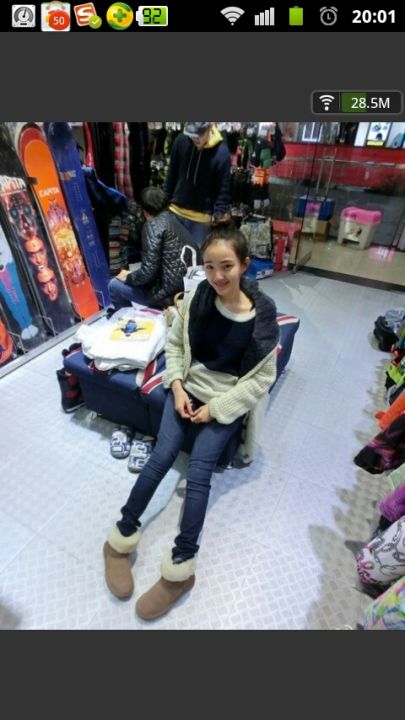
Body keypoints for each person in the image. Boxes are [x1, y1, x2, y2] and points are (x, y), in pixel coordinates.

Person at [103, 224, 280, 620]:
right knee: (160, 457)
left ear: (244, 265)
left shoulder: (263, 321)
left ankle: (181, 568)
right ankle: (120, 538)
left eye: (227, 266)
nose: (217, 276)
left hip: (224, 401)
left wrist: (216, 409)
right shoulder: (199, 297)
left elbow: (259, 382)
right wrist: (178, 386)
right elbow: (175, 344)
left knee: (199, 475)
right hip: (186, 389)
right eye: (209, 266)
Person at [107, 186, 199, 311]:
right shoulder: (174, 219)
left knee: (114, 286)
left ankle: (126, 319)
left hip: (167, 295)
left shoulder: (153, 225)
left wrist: (128, 277)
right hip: (185, 289)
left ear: (144, 210)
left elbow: (148, 272)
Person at [163, 122, 232, 248]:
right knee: (169, 256)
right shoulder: (181, 141)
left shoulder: (222, 152)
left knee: (196, 259)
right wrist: (163, 204)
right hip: (174, 212)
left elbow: (223, 190)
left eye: (199, 134)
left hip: (201, 221)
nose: (195, 138)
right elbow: (171, 174)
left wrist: (218, 216)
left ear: (210, 127)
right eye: (192, 134)